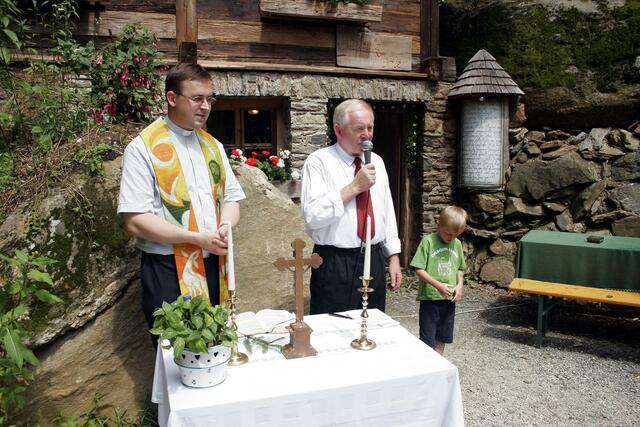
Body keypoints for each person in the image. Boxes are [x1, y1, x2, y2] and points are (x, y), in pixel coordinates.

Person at [117, 63, 245, 332]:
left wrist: (224, 228)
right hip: (168, 269)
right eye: (197, 98)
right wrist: (196, 238)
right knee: (175, 353)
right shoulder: (143, 148)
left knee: (216, 340)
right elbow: (135, 220)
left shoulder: (213, 145)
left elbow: (232, 198)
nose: (206, 107)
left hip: (214, 264)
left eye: (210, 99)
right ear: (172, 98)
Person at [301, 99, 402, 315]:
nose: (367, 135)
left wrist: (393, 256)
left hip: (373, 258)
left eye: (370, 127)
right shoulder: (319, 162)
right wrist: (355, 187)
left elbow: (386, 210)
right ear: (338, 130)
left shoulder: (377, 162)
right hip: (334, 262)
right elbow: (313, 215)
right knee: (331, 333)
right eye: (359, 129)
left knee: (372, 327)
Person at [410, 206, 467, 354]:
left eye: (455, 235)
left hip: (449, 299)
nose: (451, 238)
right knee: (428, 339)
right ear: (439, 225)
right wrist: (438, 285)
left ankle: (440, 362)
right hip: (430, 299)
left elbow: (460, 268)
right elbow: (419, 269)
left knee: (443, 335)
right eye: (448, 234)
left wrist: (460, 286)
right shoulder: (428, 242)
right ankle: (429, 366)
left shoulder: (458, 244)